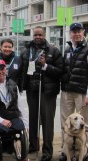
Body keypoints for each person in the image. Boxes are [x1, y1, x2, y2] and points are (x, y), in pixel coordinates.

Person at [20, 26, 63, 161]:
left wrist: (45, 65)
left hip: (47, 92)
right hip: (32, 90)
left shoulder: (53, 51)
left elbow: (59, 71)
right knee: (33, 120)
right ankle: (33, 145)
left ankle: (47, 151)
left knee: (47, 122)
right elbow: (22, 70)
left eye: (40, 35)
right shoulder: (26, 51)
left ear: (44, 35)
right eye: (35, 35)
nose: (38, 37)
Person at [60, 23, 88, 161]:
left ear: (83, 33)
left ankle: (86, 152)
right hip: (66, 91)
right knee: (66, 122)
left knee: (86, 124)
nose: (77, 34)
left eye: (79, 31)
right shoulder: (67, 49)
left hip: (82, 93)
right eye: (74, 31)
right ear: (70, 33)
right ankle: (66, 151)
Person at [0, 59, 28, 154]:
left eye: (2, 69)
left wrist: (26, 124)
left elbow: (20, 105)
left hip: (11, 116)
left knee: (20, 125)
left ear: (6, 69)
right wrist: (1, 120)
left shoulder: (13, 84)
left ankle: (9, 147)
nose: (0, 72)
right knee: (2, 128)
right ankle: (5, 148)